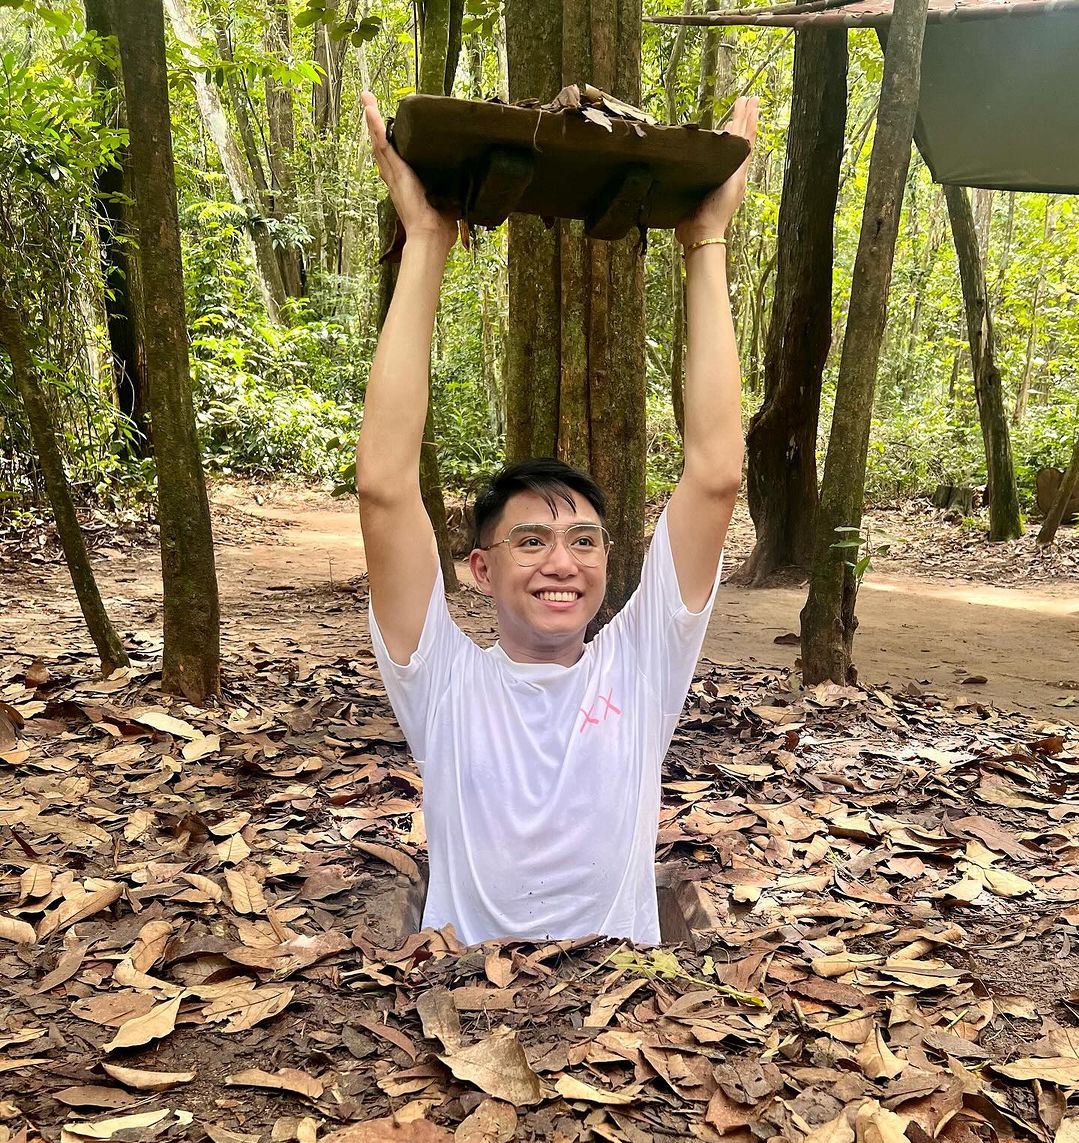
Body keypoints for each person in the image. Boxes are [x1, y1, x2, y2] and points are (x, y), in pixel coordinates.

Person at [356, 91, 758, 946]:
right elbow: (385, 486)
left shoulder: (641, 665)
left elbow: (716, 474)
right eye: (529, 541)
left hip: (618, 1007)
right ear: (480, 567)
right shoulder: (445, 682)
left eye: (583, 541)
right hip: (466, 1009)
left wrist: (706, 243)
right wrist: (425, 240)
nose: (560, 564)